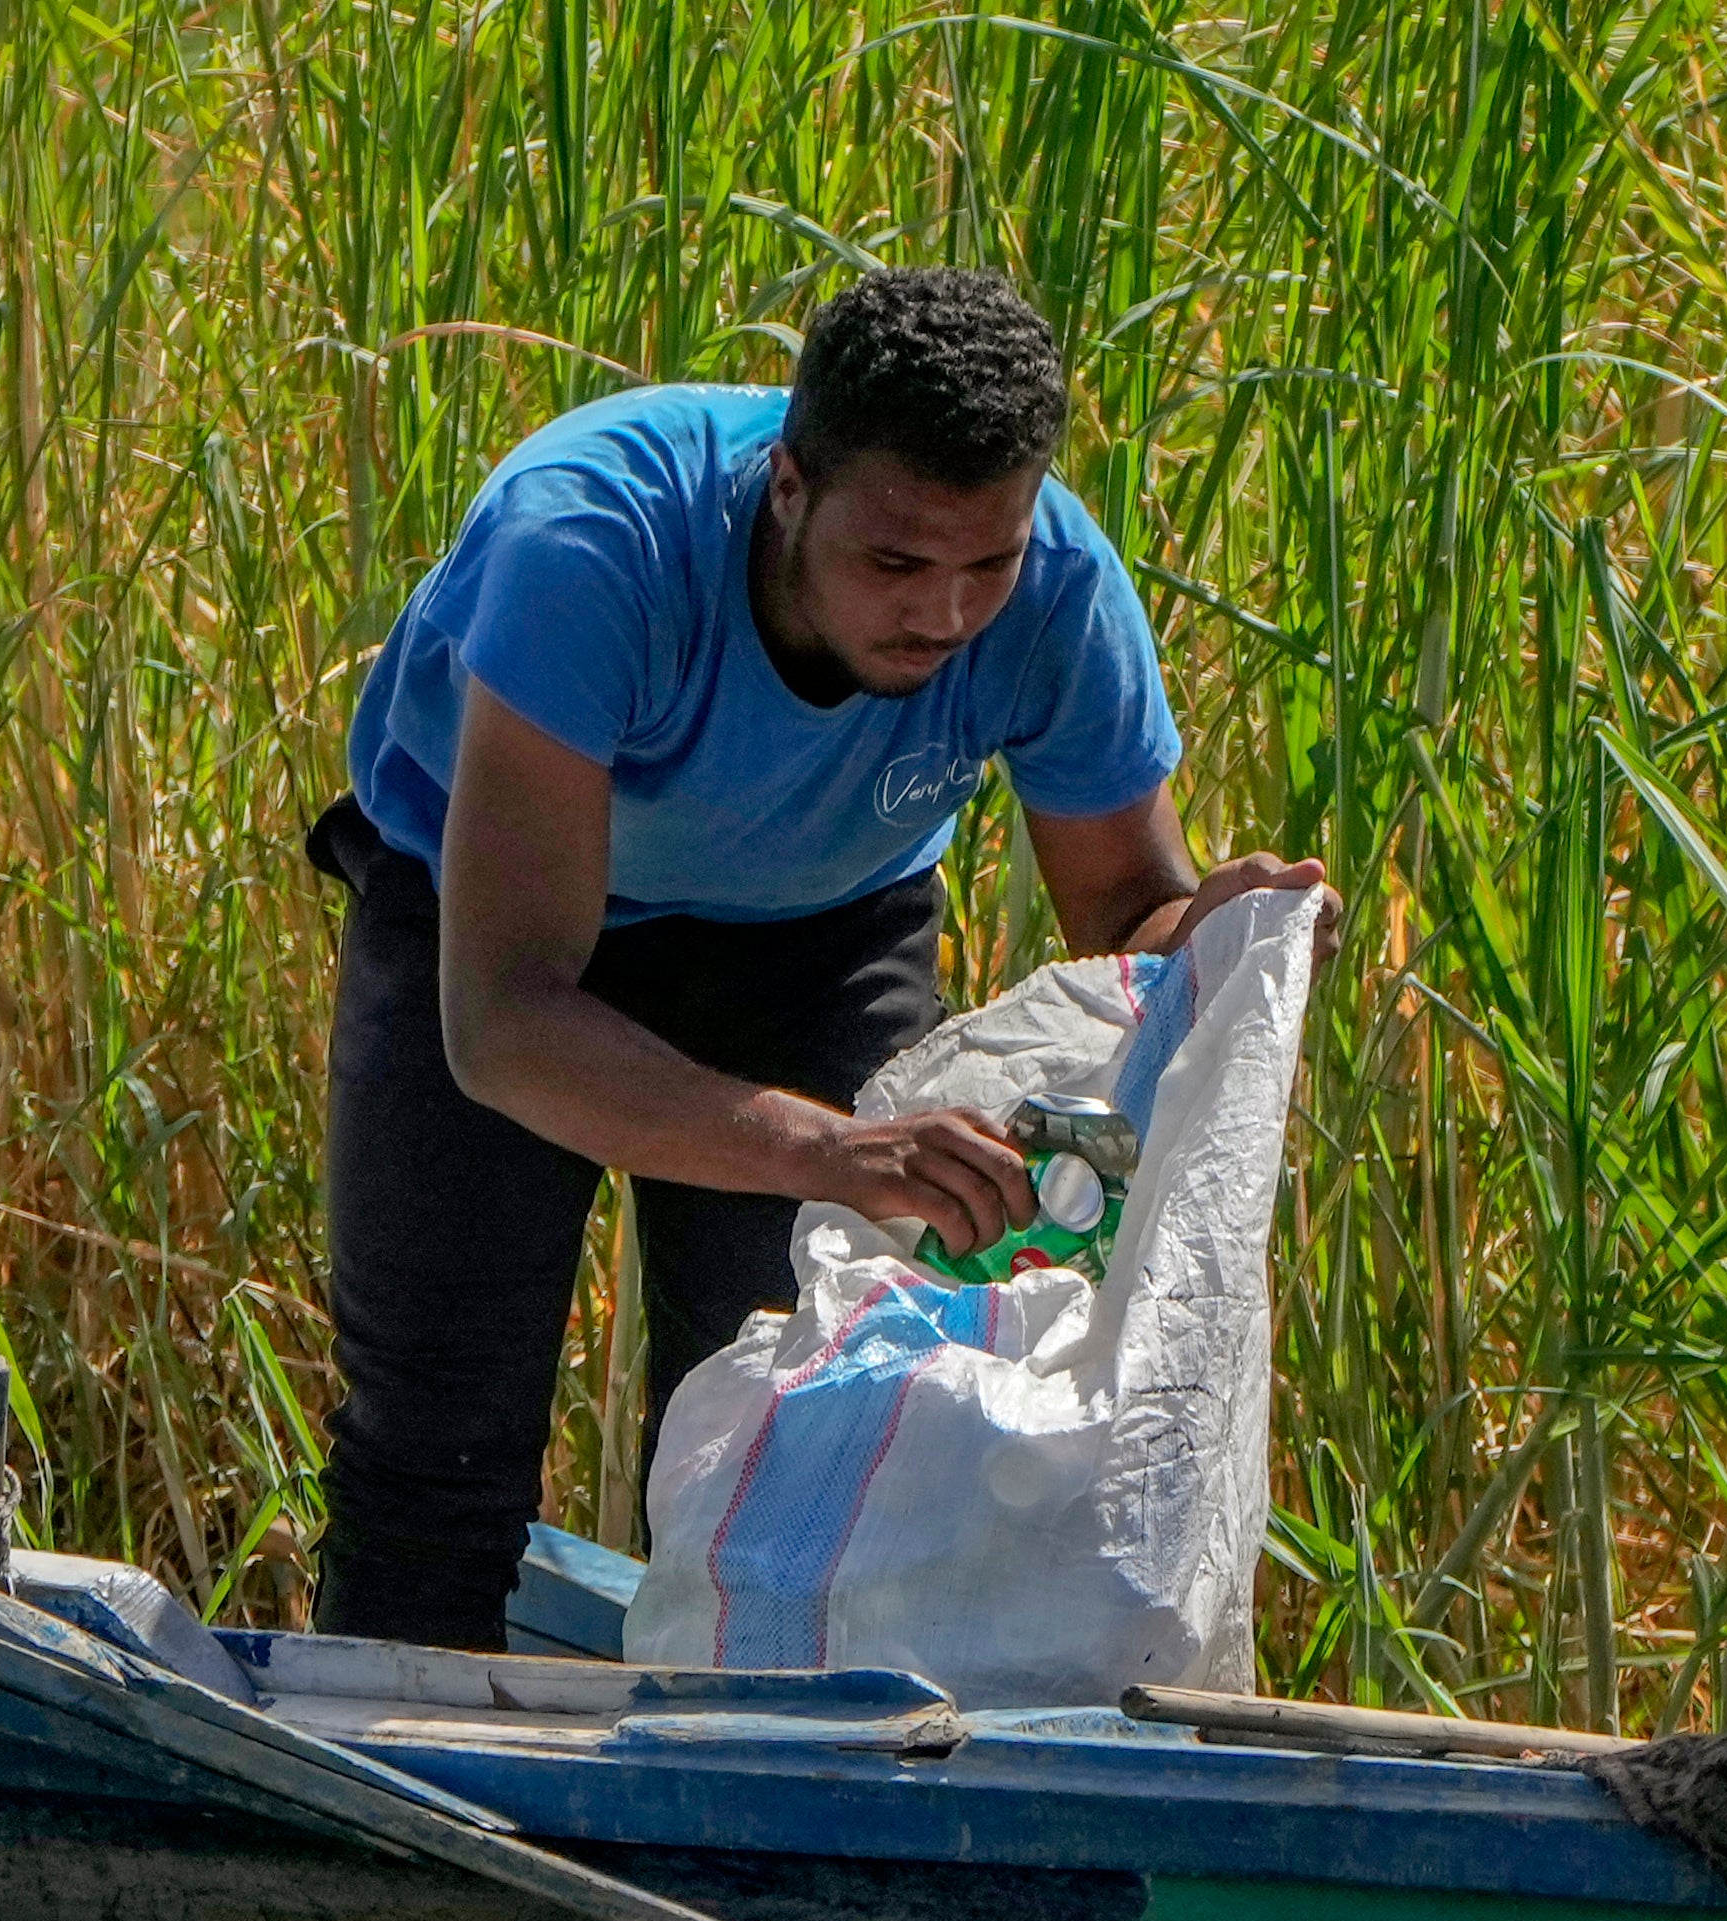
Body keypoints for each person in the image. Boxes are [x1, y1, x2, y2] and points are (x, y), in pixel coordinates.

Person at [306, 266, 1329, 1651]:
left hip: (818, 938)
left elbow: (1126, 921)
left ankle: (737, 1769)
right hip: (499, 925)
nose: (946, 616)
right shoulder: (588, 545)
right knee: (438, 1451)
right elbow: (506, 1026)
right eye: (895, 565)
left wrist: (1219, 933)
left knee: (799, 1442)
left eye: (987, 565)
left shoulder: (1057, 587)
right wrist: (830, 1151)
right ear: (788, 488)